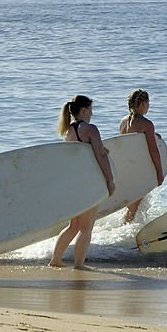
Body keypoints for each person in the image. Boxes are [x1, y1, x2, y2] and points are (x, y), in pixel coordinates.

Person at [49, 95, 116, 269]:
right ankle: (79, 264)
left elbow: (81, 155)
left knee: (74, 226)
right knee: (86, 227)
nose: (92, 113)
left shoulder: (68, 131)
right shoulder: (91, 129)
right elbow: (101, 156)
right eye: (91, 109)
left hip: (74, 184)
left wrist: (100, 149)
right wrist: (110, 180)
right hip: (89, 184)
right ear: (84, 110)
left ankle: (55, 260)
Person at [118, 88, 165, 223]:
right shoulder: (147, 124)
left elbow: (130, 144)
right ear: (143, 103)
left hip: (126, 166)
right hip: (139, 169)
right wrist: (159, 171)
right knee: (136, 206)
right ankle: (125, 232)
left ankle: (129, 227)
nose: (149, 105)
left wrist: (153, 136)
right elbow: (153, 149)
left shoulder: (123, 122)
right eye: (148, 102)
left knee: (133, 204)